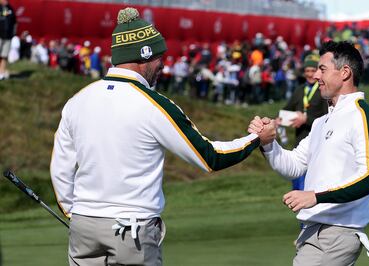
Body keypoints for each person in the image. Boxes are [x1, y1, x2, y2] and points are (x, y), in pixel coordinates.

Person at [50, 7, 275, 266]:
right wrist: (256, 138)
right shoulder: (154, 105)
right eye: (159, 57)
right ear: (143, 56)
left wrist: (75, 214)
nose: (163, 65)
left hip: (83, 226)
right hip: (131, 230)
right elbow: (209, 157)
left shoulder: (77, 101)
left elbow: (61, 171)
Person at [249, 41, 369, 266]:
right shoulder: (322, 121)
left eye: (322, 69)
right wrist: (268, 144)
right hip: (314, 231)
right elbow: (293, 165)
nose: (316, 76)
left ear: (344, 73)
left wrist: (316, 196)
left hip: (337, 232)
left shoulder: (363, 116)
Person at [280, 54, 328, 191]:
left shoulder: (323, 90)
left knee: (312, 188)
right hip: (299, 144)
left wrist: (306, 119)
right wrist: (280, 120)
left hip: (318, 145)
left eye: (313, 71)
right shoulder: (300, 90)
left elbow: (328, 119)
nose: (310, 74)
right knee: (298, 187)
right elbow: (285, 111)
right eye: (307, 71)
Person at [0, 0, 16, 80]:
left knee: (4, 55)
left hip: (8, 36)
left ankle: (1, 74)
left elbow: (14, 22)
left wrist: (13, 33)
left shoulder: (10, 8)